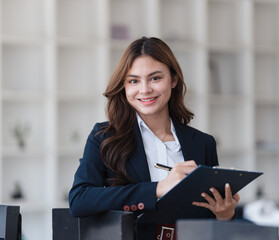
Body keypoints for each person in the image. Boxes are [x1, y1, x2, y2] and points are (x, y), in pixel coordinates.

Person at [69, 36, 240, 240]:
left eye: (155, 78)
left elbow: (210, 223)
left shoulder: (203, 143)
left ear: (174, 80)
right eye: (133, 81)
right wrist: (157, 189)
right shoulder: (104, 137)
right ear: (124, 86)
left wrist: (225, 215)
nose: (145, 89)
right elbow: (79, 200)